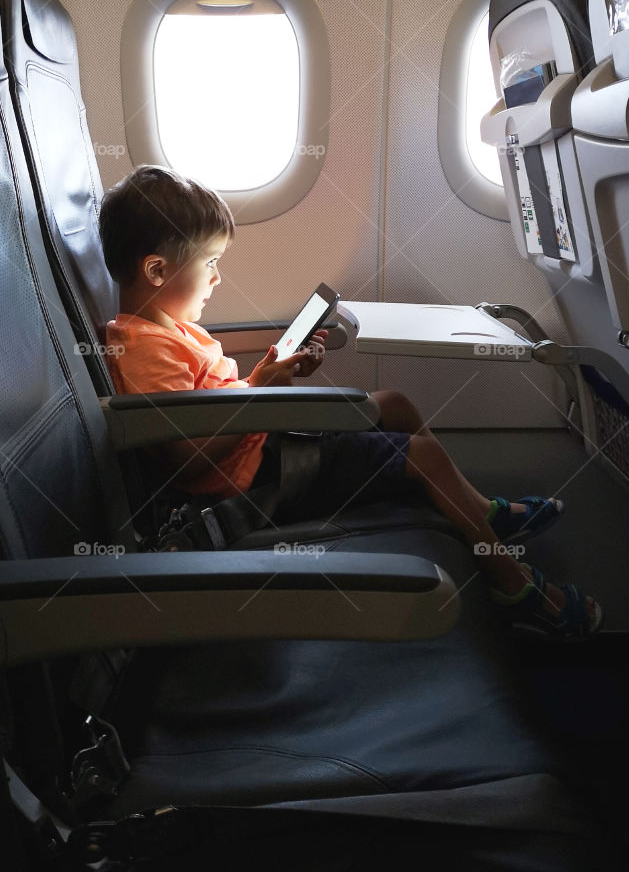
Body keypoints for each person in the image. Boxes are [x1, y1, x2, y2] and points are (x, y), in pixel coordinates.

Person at [99, 165, 602, 638]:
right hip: (257, 479)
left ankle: (482, 513)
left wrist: (269, 378)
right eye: (210, 263)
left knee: (394, 404)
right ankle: (517, 589)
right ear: (157, 270)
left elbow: (212, 407)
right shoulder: (143, 349)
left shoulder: (176, 330)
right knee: (422, 456)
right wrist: (260, 392)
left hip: (261, 442)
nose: (217, 278)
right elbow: (187, 455)